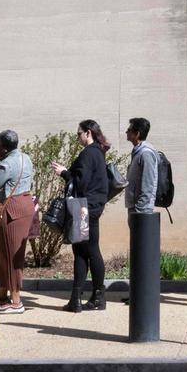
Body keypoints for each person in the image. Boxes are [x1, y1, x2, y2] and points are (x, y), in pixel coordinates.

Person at [52, 118, 112, 312]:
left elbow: (80, 182)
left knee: (84, 252)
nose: (77, 137)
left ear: (88, 133)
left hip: (83, 207)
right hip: (92, 207)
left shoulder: (88, 154)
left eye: (79, 133)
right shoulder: (98, 153)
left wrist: (64, 172)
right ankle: (93, 297)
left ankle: (80, 299)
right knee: (89, 251)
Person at [0, 129, 36, 315]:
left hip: (11, 208)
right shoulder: (26, 158)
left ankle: (16, 301)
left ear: (2, 146)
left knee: (12, 254)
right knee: (5, 252)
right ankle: (2, 295)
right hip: (24, 204)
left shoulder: (6, 164)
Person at [125, 117, 161, 213]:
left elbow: (148, 184)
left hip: (141, 209)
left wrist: (140, 208)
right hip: (135, 207)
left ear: (137, 134)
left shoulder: (146, 154)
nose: (126, 132)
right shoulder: (138, 152)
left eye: (129, 130)